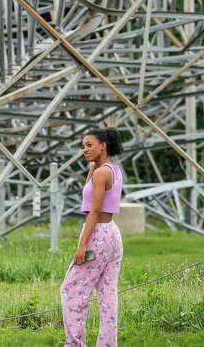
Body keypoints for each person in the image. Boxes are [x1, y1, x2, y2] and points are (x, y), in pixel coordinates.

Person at [60, 128, 125, 347]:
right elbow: (87, 198)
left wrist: (82, 246)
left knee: (71, 290)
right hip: (112, 234)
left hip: (97, 234)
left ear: (103, 146)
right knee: (108, 294)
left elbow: (93, 212)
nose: (85, 150)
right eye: (83, 146)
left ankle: (75, 344)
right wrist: (92, 165)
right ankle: (107, 344)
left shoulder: (101, 174)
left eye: (89, 145)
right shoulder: (111, 170)